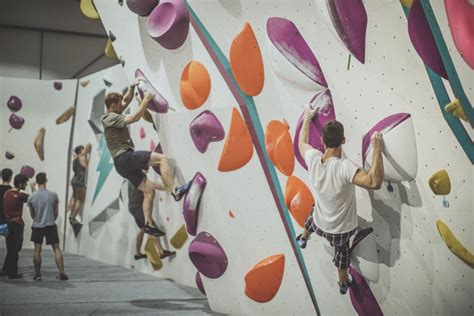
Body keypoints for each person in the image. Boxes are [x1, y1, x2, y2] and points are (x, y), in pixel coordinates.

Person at [296, 104, 384, 295]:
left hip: (319, 220)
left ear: (322, 140)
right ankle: (343, 283)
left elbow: (301, 143)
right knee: (342, 254)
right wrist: (377, 148)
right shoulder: (343, 167)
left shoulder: (312, 157)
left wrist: (307, 117)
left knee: (312, 216)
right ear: (343, 140)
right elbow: (374, 181)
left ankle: (303, 238)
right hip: (339, 231)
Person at [101, 82, 190, 237]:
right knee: (161, 159)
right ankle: (174, 190)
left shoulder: (113, 113)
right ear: (113, 106)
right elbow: (135, 117)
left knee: (148, 190)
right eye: (119, 105)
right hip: (125, 157)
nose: (122, 106)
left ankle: (148, 223)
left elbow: (125, 101)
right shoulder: (110, 117)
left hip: (121, 164)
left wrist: (131, 87)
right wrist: (146, 99)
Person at [27, 172, 68, 281]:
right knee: (56, 249)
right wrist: (50, 219)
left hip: (37, 226)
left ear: (37, 181)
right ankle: (61, 272)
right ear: (46, 180)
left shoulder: (31, 196)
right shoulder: (53, 194)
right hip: (50, 225)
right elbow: (56, 212)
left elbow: (32, 215)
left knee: (37, 250)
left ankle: (37, 274)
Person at [128, 180, 175, 260]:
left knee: (143, 228)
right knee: (152, 226)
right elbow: (152, 185)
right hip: (138, 206)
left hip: (132, 207)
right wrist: (168, 188)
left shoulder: (130, 179)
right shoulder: (138, 178)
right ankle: (161, 251)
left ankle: (137, 253)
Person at [1, 174, 35, 279]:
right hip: (16, 225)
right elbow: (34, 199)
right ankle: (12, 273)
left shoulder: (7, 193)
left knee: (10, 248)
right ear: (20, 184)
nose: (25, 185)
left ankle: (6, 270)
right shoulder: (20, 196)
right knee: (15, 249)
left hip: (7, 223)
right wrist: (33, 188)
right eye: (25, 183)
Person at [68, 143, 91, 225]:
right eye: (82, 149)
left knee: (74, 198)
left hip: (74, 180)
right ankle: (73, 218)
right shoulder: (81, 158)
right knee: (79, 201)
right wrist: (86, 153)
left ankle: (70, 215)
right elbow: (89, 145)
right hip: (80, 183)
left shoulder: (75, 159)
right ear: (80, 151)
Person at [0, 168, 13, 276]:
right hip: (8, 221)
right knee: (11, 247)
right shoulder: (12, 191)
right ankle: (7, 269)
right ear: (10, 177)